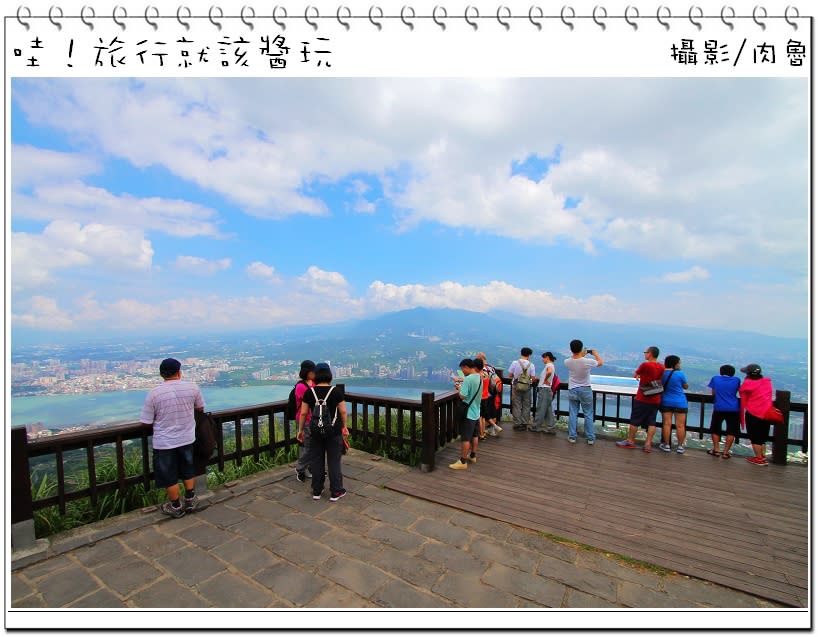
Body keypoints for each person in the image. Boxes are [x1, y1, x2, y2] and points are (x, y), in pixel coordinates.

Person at [140, 358, 205, 518]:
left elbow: (146, 422)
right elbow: (200, 407)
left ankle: (176, 506)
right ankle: (190, 499)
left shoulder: (154, 393)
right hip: (187, 437)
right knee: (188, 467)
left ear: (161, 374)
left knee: (169, 473)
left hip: (164, 442)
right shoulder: (192, 387)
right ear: (179, 372)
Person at [298, 362, 348, 500]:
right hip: (333, 432)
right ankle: (336, 491)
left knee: (317, 461)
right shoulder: (336, 391)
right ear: (329, 375)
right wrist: (344, 426)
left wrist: (300, 430)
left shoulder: (309, 392)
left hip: (315, 432)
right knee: (334, 462)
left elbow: (303, 413)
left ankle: (317, 491)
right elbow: (343, 411)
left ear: (316, 376)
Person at [617, 346, 663, 452]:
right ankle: (648, 444)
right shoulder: (661, 366)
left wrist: (639, 375)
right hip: (655, 397)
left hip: (642, 397)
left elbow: (636, 374)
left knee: (635, 420)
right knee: (652, 422)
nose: (645, 354)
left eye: (646, 352)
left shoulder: (645, 365)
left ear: (650, 353)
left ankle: (630, 441)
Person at [564, 340, 603, 444]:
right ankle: (590, 438)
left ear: (570, 349)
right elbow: (600, 363)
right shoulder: (587, 361)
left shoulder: (567, 362)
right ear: (581, 349)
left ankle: (572, 436)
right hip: (585, 389)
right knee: (588, 414)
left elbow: (575, 358)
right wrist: (595, 353)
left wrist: (581, 354)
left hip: (572, 389)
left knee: (573, 413)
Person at [449, 358, 482, 470]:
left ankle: (462, 461)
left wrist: (459, 389)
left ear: (466, 367)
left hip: (468, 413)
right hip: (476, 411)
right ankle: (472, 455)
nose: (462, 371)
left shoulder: (469, 379)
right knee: (475, 435)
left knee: (466, 438)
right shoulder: (479, 377)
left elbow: (463, 396)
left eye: (462, 369)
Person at [739, 363, 774, 466]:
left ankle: (758, 458)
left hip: (754, 413)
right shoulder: (766, 382)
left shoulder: (748, 383)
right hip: (767, 413)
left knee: (755, 437)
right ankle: (762, 456)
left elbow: (742, 391)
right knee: (762, 437)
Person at [708, 365, 741, 459]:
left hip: (719, 407)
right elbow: (737, 391)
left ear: (721, 371)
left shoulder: (715, 379)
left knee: (715, 428)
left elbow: (713, 393)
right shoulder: (736, 380)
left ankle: (716, 450)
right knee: (731, 430)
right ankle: (726, 452)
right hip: (733, 408)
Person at [659, 355, 689, 454]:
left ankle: (666, 445)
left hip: (666, 401)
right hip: (680, 402)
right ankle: (680, 447)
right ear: (675, 364)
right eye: (679, 363)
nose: (680, 364)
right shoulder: (680, 374)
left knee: (667, 424)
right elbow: (685, 386)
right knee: (680, 425)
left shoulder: (662, 373)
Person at [293, 360, 316, 483]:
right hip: (304, 419)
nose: (315, 373)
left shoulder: (314, 383)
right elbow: (306, 406)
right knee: (306, 446)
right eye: (313, 371)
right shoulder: (301, 386)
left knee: (312, 445)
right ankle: (300, 469)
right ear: (307, 372)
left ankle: (309, 468)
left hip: (314, 419)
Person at [507, 348, 535, 431]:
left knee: (516, 405)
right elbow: (533, 378)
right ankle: (524, 423)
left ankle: (517, 423)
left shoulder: (515, 363)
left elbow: (510, 375)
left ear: (521, 353)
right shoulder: (531, 365)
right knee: (526, 405)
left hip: (516, 386)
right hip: (527, 387)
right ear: (529, 355)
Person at [475, 352, 503, 436]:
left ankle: (484, 431)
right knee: (491, 411)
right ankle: (492, 428)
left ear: (480, 359)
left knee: (483, 414)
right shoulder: (491, 367)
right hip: (492, 392)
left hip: (485, 394)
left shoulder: (482, 369)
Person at [530, 352, 557, 434]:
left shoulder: (549, 365)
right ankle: (550, 427)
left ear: (547, 357)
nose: (543, 359)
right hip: (547, 390)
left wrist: (545, 380)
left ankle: (536, 427)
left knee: (541, 408)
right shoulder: (551, 365)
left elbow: (549, 372)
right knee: (548, 409)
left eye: (543, 358)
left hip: (544, 390)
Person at [473, 357, 489, 441]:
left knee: (479, 416)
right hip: (486, 397)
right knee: (483, 417)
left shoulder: (477, 376)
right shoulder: (485, 374)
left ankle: (480, 433)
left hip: (480, 398)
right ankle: (483, 433)